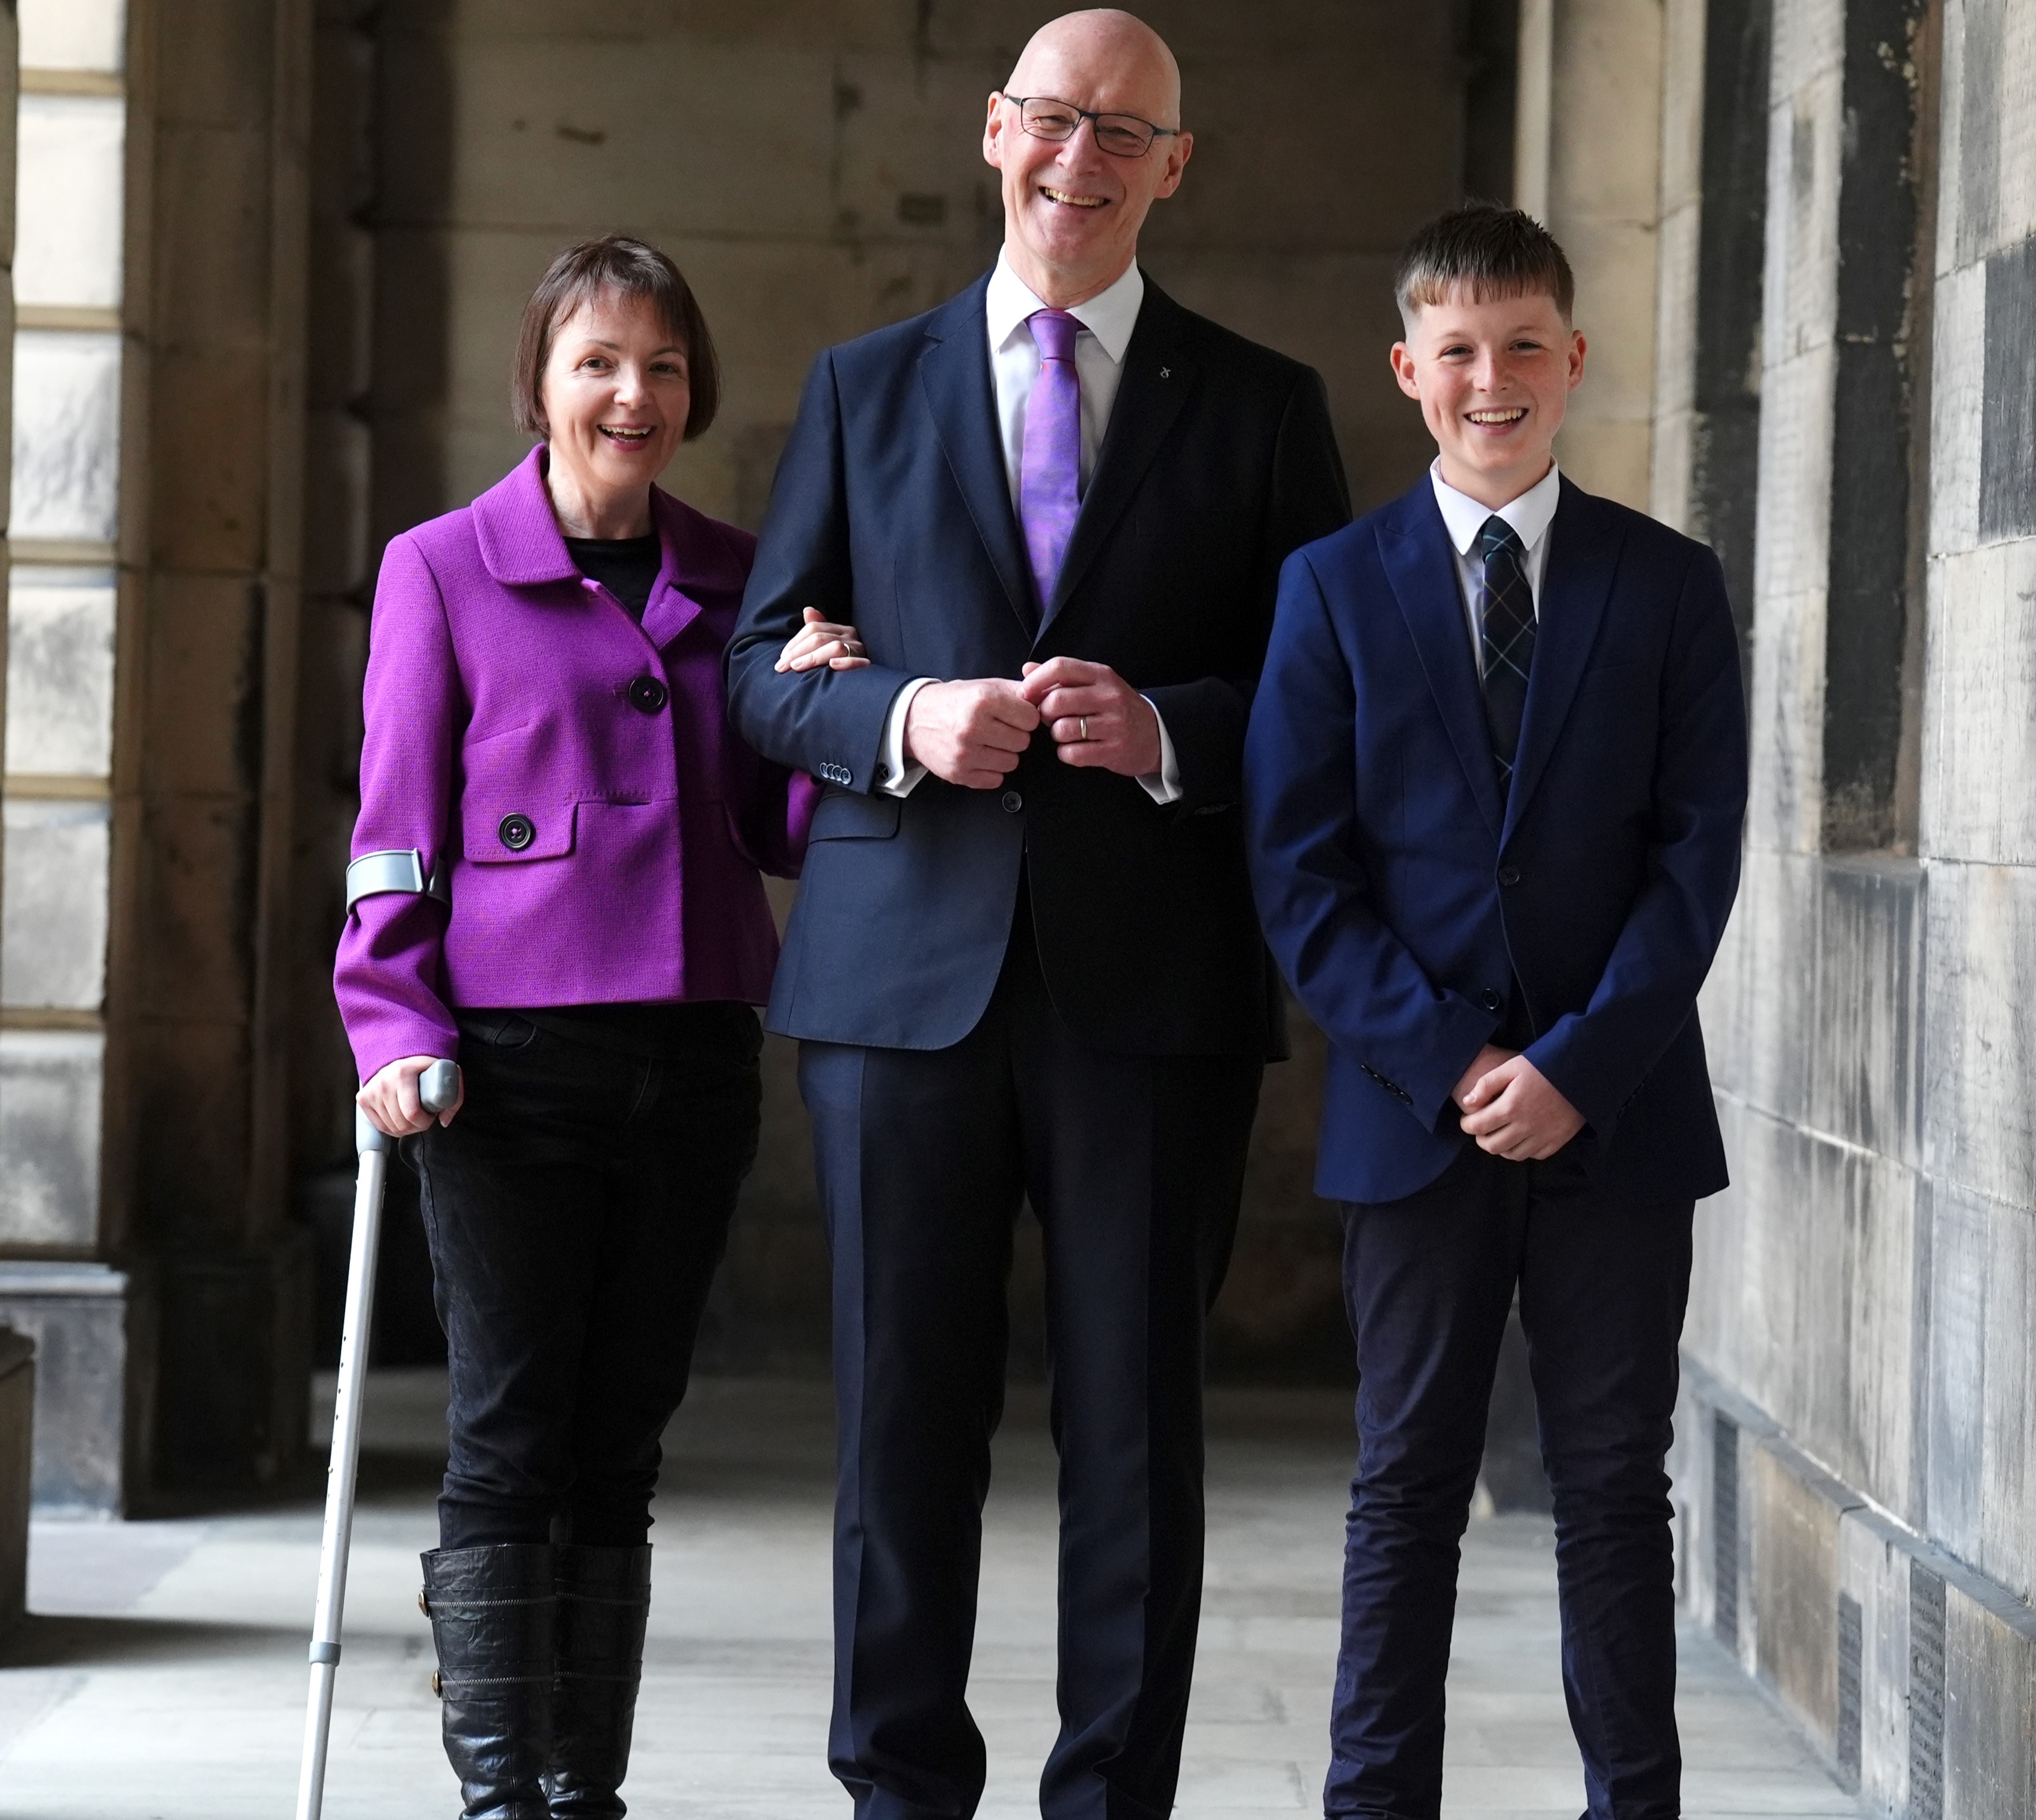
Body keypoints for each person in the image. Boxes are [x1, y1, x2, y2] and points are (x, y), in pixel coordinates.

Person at [725, 11, 1352, 1817]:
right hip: (894, 980)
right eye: (1057, 120)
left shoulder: (1261, 406)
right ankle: (900, 1793)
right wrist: (904, 716)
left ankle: (1111, 1801)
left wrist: (1166, 730)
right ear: (997, 133)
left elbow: (1326, 702)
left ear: (1176, 167)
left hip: (1148, 994)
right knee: (897, 1430)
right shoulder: (866, 384)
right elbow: (765, 669)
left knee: (1136, 1440)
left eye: (1127, 133)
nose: (1084, 159)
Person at [1240, 204, 1747, 1819]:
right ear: (1407, 369)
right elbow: (1301, 871)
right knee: (1406, 1486)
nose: (1493, 378)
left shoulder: (1669, 588)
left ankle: (1633, 1803)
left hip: (1623, 1111)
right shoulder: (1331, 590)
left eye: (1524, 344)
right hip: (1418, 1110)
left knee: (1612, 1487)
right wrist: (1460, 1058)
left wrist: (1579, 1064)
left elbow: (1697, 859)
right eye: (1457, 350)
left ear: (1574, 358)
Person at [333, 234, 846, 1820]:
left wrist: (826, 701)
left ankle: (582, 1790)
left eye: (665, 365)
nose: (635, 392)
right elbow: (394, 823)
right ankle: (504, 1799)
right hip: (504, 1064)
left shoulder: (744, 572)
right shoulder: (442, 565)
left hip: (692, 1057)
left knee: (621, 1438)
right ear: (543, 380)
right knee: (508, 1428)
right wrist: (387, 1012)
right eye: (601, 361)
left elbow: (776, 824)